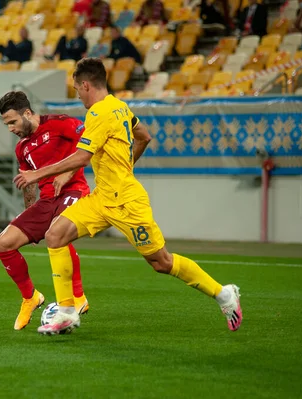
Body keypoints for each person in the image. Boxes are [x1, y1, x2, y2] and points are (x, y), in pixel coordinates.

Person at [13, 58, 243, 335]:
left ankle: (224, 294)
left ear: (86, 85)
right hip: (102, 198)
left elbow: (82, 157)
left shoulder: (99, 113)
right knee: (55, 235)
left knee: (161, 262)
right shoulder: (120, 107)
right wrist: (123, 167)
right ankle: (66, 312)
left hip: (126, 202)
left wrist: (37, 175)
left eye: (76, 89)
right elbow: (144, 135)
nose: (77, 94)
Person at [0, 91, 90, 330]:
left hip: (74, 191)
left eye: (12, 122)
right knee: (3, 244)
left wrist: (67, 174)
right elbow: (29, 183)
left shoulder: (60, 123)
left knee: (58, 233)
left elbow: (92, 144)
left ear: (27, 113)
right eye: (6, 124)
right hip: (46, 201)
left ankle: (78, 298)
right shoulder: (22, 149)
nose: (10, 129)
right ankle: (30, 297)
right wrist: (30, 219)